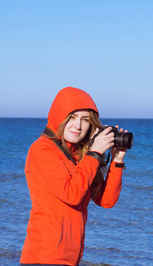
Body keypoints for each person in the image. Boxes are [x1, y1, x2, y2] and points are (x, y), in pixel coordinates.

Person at [20, 87, 128, 266]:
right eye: (71, 117)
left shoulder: (80, 156)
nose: (77, 126)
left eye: (85, 120)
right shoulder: (42, 150)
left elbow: (106, 201)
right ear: (59, 116)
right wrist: (95, 153)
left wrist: (116, 161)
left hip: (70, 259)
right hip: (44, 258)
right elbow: (72, 194)